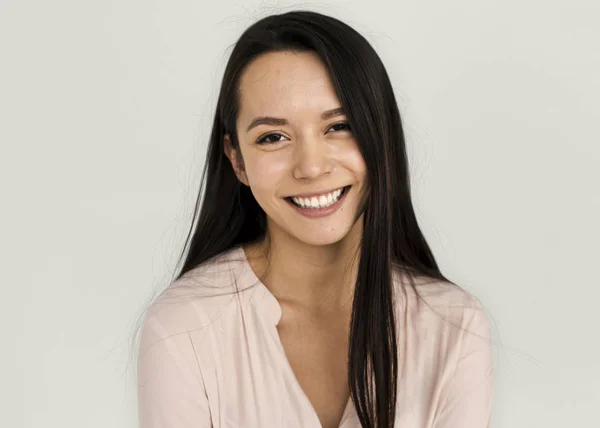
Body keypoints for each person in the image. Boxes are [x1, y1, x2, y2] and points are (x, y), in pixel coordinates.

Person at [135, 10, 493, 428]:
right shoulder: (184, 329)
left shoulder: (452, 325)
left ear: (382, 135)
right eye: (273, 137)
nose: (311, 166)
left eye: (339, 126)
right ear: (237, 160)